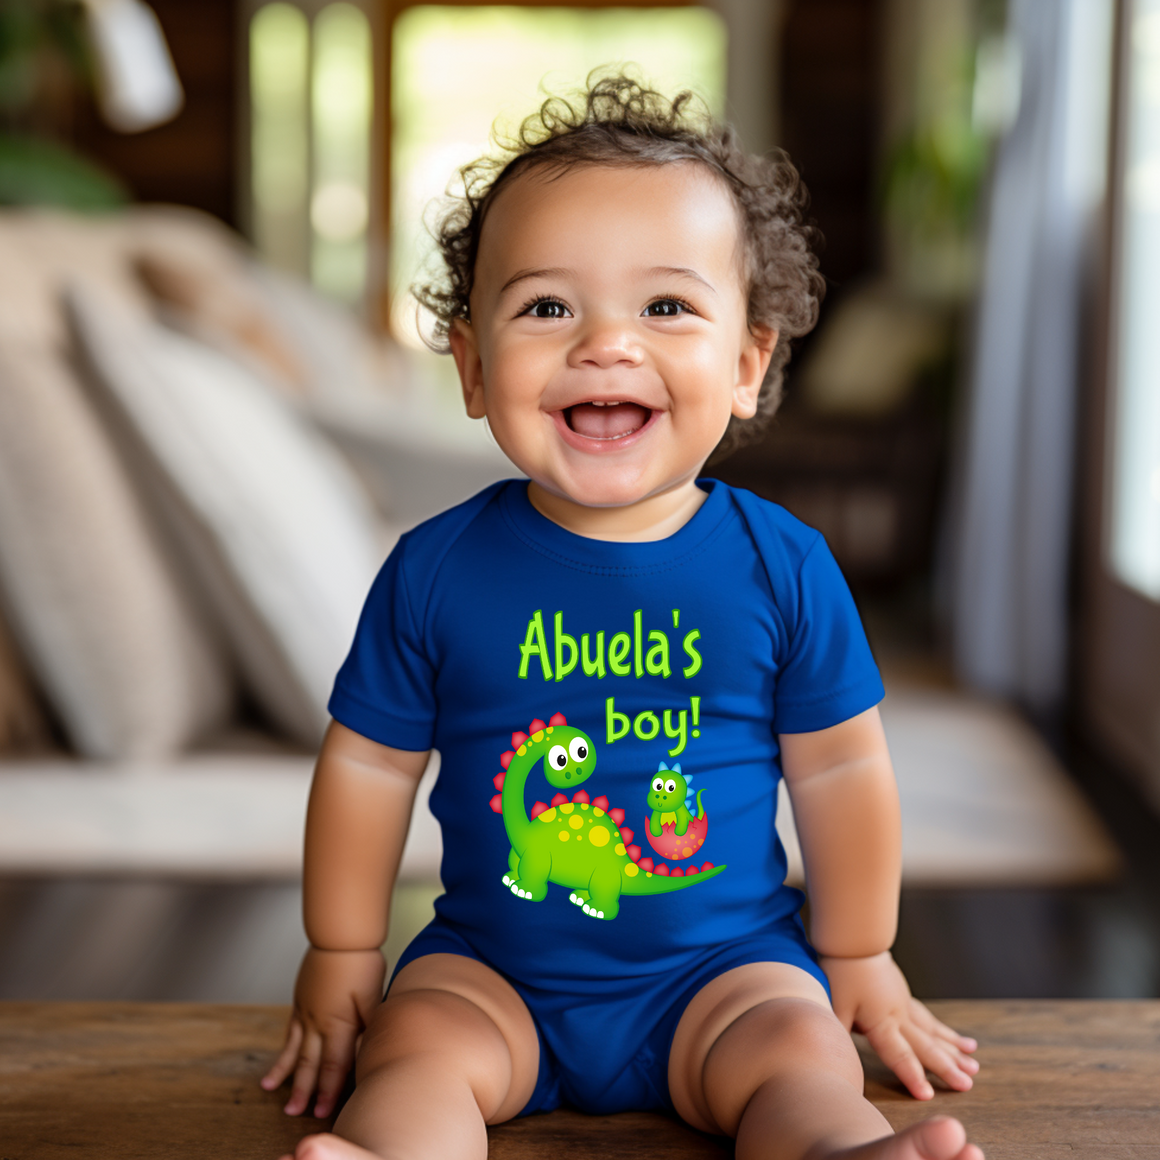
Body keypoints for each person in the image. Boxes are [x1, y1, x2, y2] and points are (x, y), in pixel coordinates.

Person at [262, 75, 983, 1160]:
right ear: (469, 365)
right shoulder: (432, 568)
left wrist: (860, 953)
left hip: (725, 971)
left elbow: (838, 769)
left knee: (799, 1054)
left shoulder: (779, 564)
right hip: (489, 966)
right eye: (546, 306)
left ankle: (837, 1149)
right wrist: (342, 946)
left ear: (746, 363)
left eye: (665, 306)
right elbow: (367, 767)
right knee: (413, 1049)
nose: (605, 344)